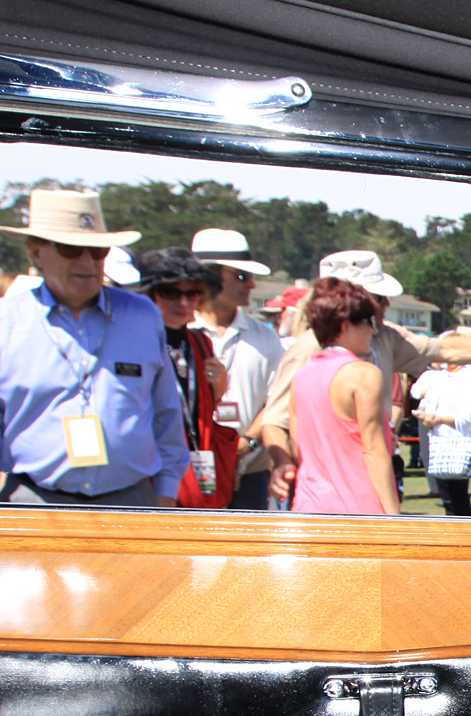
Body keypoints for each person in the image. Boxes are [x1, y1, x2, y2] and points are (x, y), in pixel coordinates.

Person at [256, 250, 471, 503]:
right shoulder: (306, 352)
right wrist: (282, 461)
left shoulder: (385, 337)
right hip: (327, 488)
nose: (385, 306)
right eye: (378, 297)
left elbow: (444, 347)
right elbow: (274, 421)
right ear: (349, 300)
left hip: (363, 485)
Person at [0, 189, 187, 506]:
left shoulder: (142, 315)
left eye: (97, 251)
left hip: (132, 500)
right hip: (32, 500)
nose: (87, 261)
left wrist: (166, 492)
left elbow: (167, 413)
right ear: (36, 254)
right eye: (71, 249)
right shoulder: (7, 321)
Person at [286, 278, 401, 515]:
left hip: (308, 506)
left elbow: (297, 445)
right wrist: (394, 516)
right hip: (358, 509)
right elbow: (374, 452)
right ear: (346, 326)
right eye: (368, 321)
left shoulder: (302, 375)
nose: (374, 329)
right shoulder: (363, 374)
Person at [137, 249, 238, 511]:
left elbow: (199, 410)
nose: (183, 303)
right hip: (151, 475)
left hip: (198, 470)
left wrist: (218, 391)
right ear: (151, 295)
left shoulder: (200, 343)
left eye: (191, 293)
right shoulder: (136, 343)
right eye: (171, 293)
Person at [190, 228, 284, 509]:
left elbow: (276, 400)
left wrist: (247, 443)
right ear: (210, 276)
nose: (251, 285)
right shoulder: (179, 330)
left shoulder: (264, 336)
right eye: (242, 276)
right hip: (188, 471)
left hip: (251, 474)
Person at [412, 356, 471, 516]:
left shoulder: (469, 378)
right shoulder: (436, 376)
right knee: (448, 499)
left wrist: (438, 419)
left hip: (457, 442)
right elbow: (416, 392)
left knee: (458, 498)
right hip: (438, 440)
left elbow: (468, 418)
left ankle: (465, 536)